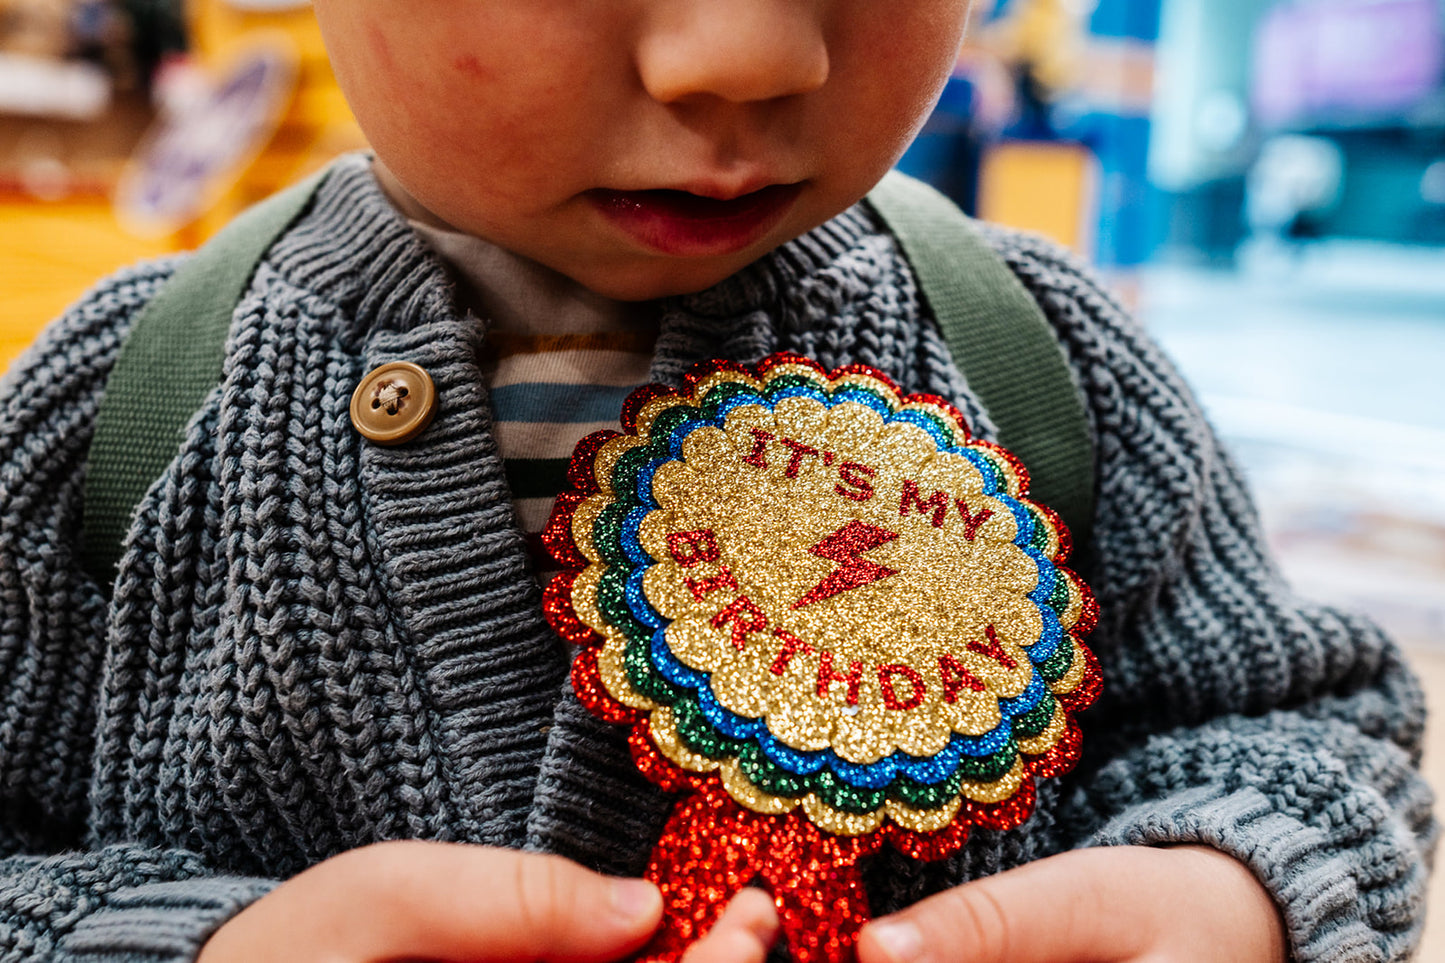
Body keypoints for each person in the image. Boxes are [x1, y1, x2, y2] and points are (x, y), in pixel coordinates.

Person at [0, 2, 1433, 961]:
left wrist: (1233, 887)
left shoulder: (1043, 366)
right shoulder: (119, 416)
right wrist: (189, 943)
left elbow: (1307, 733)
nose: (745, 54)